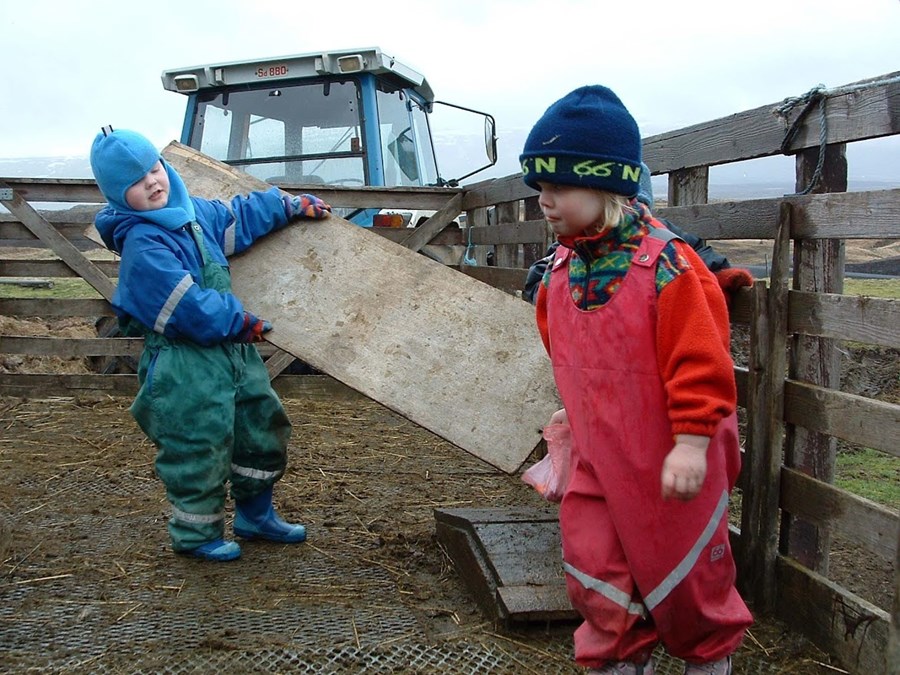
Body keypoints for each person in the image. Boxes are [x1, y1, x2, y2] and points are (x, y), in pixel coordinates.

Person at [519, 87, 753, 675]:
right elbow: (568, 353)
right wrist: (573, 411)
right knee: (596, 569)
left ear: (607, 185)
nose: (543, 203)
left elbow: (700, 360)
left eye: (557, 189)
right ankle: (621, 661)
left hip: (672, 455)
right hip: (601, 455)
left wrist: (694, 442)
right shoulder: (560, 270)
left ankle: (707, 662)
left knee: (690, 578)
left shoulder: (668, 266)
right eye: (539, 190)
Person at [90, 127, 331, 562]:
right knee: (197, 443)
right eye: (135, 182)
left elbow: (238, 216)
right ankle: (196, 535)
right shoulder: (144, 243)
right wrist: (237, 320)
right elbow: (182, 305)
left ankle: (256, 515)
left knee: (260, 425)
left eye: (153, 168)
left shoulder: (192, 214)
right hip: (185, 364)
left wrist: (287, 205)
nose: (151, 182)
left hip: (233, 355)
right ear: (117, 195)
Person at [523, 163, 747, 304]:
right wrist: (562, 299)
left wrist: (718, 277)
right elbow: (538, 276)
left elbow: (696, 254)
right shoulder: (580, 243)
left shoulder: (661, 234)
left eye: (637, 209)